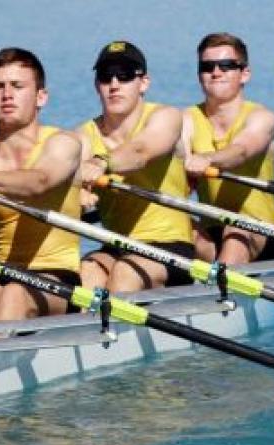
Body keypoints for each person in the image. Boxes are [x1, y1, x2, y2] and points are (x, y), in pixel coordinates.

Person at [0, 47, 83, 336]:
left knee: (15, 295)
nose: (7, 94)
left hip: (57, 278)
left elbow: (40, 181)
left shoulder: (63, 144)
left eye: (17, 86)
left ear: (40, 97)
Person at [79, 41, 194, 293]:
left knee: (125, 271)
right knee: (85, 272)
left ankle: (115, 328)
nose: (114, 84)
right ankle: (91, 330)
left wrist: (101, 163)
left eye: (125, 75)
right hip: (117, 246)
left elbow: (140, 153)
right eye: (106, 76)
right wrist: (76, 192)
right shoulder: (83, 137)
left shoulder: (166, 117)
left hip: (171, 247)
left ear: (143, 83)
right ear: (97, 85)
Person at [181, 32, 274, 264]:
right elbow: (180, 167)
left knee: (235, 234)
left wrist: (207, 159)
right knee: (168, 228)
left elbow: (241, 151)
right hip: (210, 232)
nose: (216, 73)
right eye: (207, 67)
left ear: (244, 74)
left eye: (226, 66)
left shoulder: (262, 118)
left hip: (260, 233)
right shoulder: (185, 119)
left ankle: (224, 296)